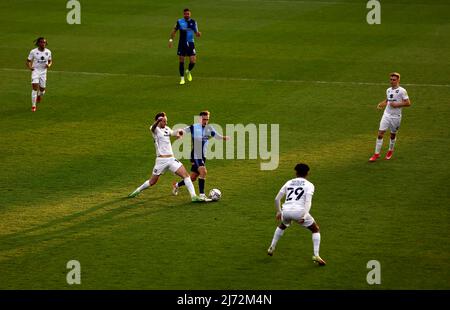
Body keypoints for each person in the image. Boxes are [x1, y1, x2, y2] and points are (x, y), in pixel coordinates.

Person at [128, 112, 204, 202]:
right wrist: (157, 122)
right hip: (161, 160)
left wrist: (179, 133)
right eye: (164, 121)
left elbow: (173, 133)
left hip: (171, 159)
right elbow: (152, 128)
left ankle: (193, 197)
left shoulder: (167, 129)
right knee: (152, 182)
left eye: (166, 121)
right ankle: (137, 190)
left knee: (186, 176)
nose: (166, 123)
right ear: (159, 121)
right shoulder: (155, 129)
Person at [267, 163, 326, 266]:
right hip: (299, 212)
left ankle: (272, 247)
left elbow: (277, 199)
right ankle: (316, 255)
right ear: (307, 173)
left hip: (286, 210)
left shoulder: (289, 182)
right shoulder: (309, 185)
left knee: (282, 225)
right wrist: (304, 216)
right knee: (315, 229)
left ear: (296, 172)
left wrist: (279, 212)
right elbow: (308, 202)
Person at [172, 111, 230, 199]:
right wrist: (179, 134)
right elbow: (183, 130)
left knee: (192, 177)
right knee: (203, 171)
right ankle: (202, 195)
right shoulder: (194, 127)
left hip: (203, 156)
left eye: (207, 119)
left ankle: (176, 185)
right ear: (200, 119)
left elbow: (216, 136)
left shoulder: (209, 128)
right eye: (204, 119)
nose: (205, 121)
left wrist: (224, 138)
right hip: (196, 154)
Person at [369, 72, 411, 162]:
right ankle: (376, 154)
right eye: (391, 79)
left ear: (398, 80)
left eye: (394, 80)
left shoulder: (402, 91)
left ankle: (390, 150)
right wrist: (381, 104)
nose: (392, 81)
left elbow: (408, 103)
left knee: (392, 135)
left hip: (396, 117)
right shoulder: (388, 90)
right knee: (380, 133)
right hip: (386, 115)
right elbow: (388, 100)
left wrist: (397, 104)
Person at [168, 8, 201, 85]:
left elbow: (196, 33)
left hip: (190, 43)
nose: (187, 15)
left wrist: (198, 34)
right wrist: (170, 40)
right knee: (181, 60)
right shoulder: (179, 21)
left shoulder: (193, 22)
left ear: (190, 14)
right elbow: (174, 31)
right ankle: (182, 78)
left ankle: (188, 71)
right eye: (185, 14)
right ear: (183, 14)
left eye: (188, 14)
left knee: (193, 61)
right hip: (182, 43)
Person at [26, 37, 52, 112]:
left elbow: (50, 61)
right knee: (34, 88)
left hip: (43, 72)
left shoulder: (48, 52)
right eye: (41, 42)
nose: (43, 44)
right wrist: (30, 67)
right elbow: (28, 61)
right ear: (38, 43)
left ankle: (40, 95)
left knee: (42, 90)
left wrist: (49, 65)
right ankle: (33, 106)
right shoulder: (33, 51)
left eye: (44, 42)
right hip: (35, 71)